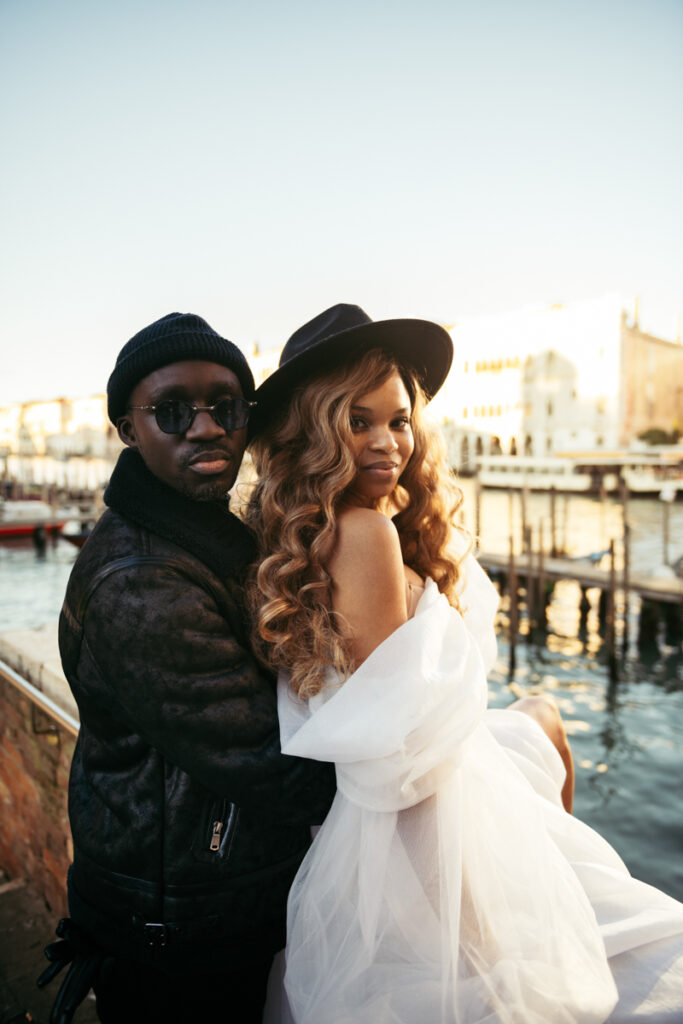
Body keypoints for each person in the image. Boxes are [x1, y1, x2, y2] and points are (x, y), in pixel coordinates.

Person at [245, 303, 683, 1024]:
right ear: (315, 431)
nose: (388, 442)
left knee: (541, 717)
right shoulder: (365, 535)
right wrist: (482, 902)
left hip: (415, 786)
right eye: (358, 422)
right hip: (427, 808)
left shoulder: (317, 530)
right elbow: (398, 743)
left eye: (398, 419)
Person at [39, 312, 336, 1024]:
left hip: (205, 903)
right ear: (126, 429)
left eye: (225, 407)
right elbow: (270, 764)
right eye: (172, 411)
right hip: (177, 930)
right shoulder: (141, 579)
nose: (205, 428)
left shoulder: (204, 534)